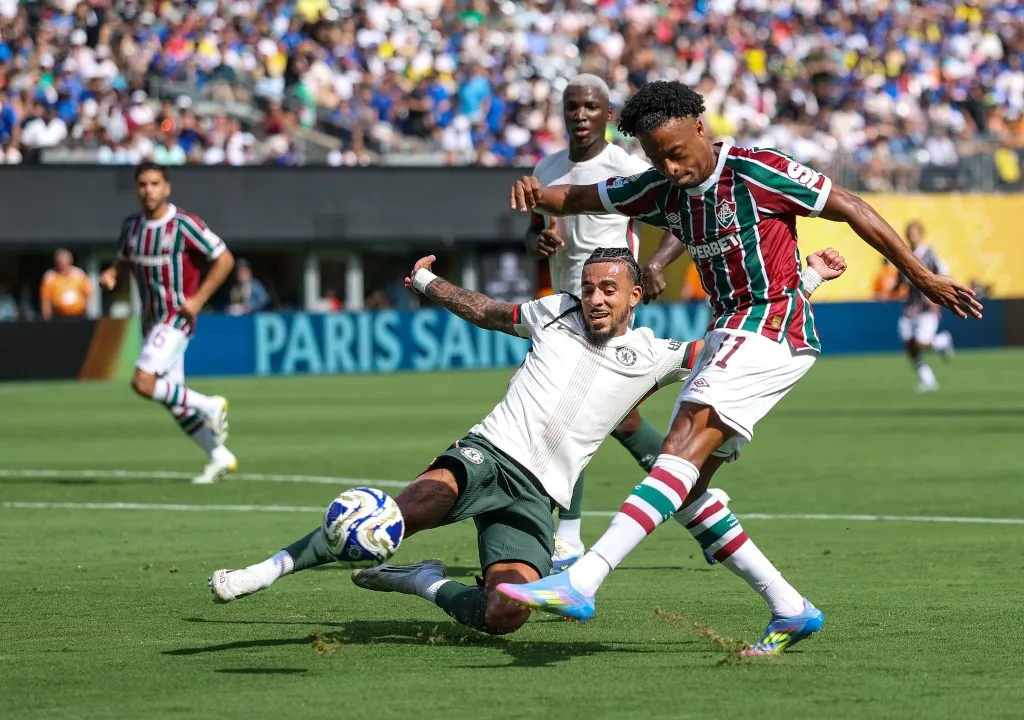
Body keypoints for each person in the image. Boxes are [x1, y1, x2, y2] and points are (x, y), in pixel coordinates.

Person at [498, 81, 982, 655]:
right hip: (729, 331)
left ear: (700, 128)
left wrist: (920, 276)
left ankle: (584, 578)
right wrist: (536, 192)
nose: (669, 167)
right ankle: (789, 608)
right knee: (687, 488)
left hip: (772, 326)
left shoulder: (756, 171)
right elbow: (579, 197)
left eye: (676, 152)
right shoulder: (659, 189)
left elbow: (851, 207)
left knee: (678, 448)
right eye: (656, 157)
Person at [208, 247, 845, 636]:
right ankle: (269, 568)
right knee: (394, 516)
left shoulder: (658, 354)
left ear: (633, 297)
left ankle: (423, 583)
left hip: (540, 497)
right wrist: (429, 285)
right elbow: (488, 311)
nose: (594, 298)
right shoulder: (553, 313)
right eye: (588, 288)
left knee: (505, 614)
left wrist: (808, 281)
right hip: (486, 456)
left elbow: (741, 347)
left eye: (608, 290)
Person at [525, 74, 684, 572]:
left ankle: (568, 538)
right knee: (617, 418)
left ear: (608, 114)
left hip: (608, 307)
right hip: (564, 306)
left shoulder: (626, 166)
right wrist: (539, 241)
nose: (580, 115)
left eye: (591, 106)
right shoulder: (547, 167)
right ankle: (698, 500)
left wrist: (655, 264)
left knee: (568, 412)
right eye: (572, 106)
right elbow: (535, 231)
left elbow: (680, 216)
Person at [99, 162, 238, 485]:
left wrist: (199, 299)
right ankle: (220, 456)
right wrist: (112, 274)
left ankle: (210, 404)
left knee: (142, 382)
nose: (149, 190)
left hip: (176, 317)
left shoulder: (184, 225)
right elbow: (122, 262)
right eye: (143, 184)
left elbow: (224, 258)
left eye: (155, 184)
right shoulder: (132, 227)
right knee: (172, 399)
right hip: (150, 322)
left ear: (167, 187)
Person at [894, 221, 954, 392]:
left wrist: (937, 293)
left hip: (927, 307)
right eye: (909, 233)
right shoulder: (904, 253)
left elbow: (944, 272)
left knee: (921, 342)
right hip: (910, 308)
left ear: (921, 234)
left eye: (914, 233)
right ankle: (927, 380)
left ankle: (942, 341)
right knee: (909, 344)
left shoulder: (929, 253)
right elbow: (900, 279)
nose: (911, 236)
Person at [40, 249, 93, 320]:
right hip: (58, 316)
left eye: (65, 262)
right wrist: (46, 317)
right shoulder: (50, 276)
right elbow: (46, 299)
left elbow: (88, 294)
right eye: (60, 262)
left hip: (78, 316)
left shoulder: (79, 274)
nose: (63, 265)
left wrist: (87, 312)